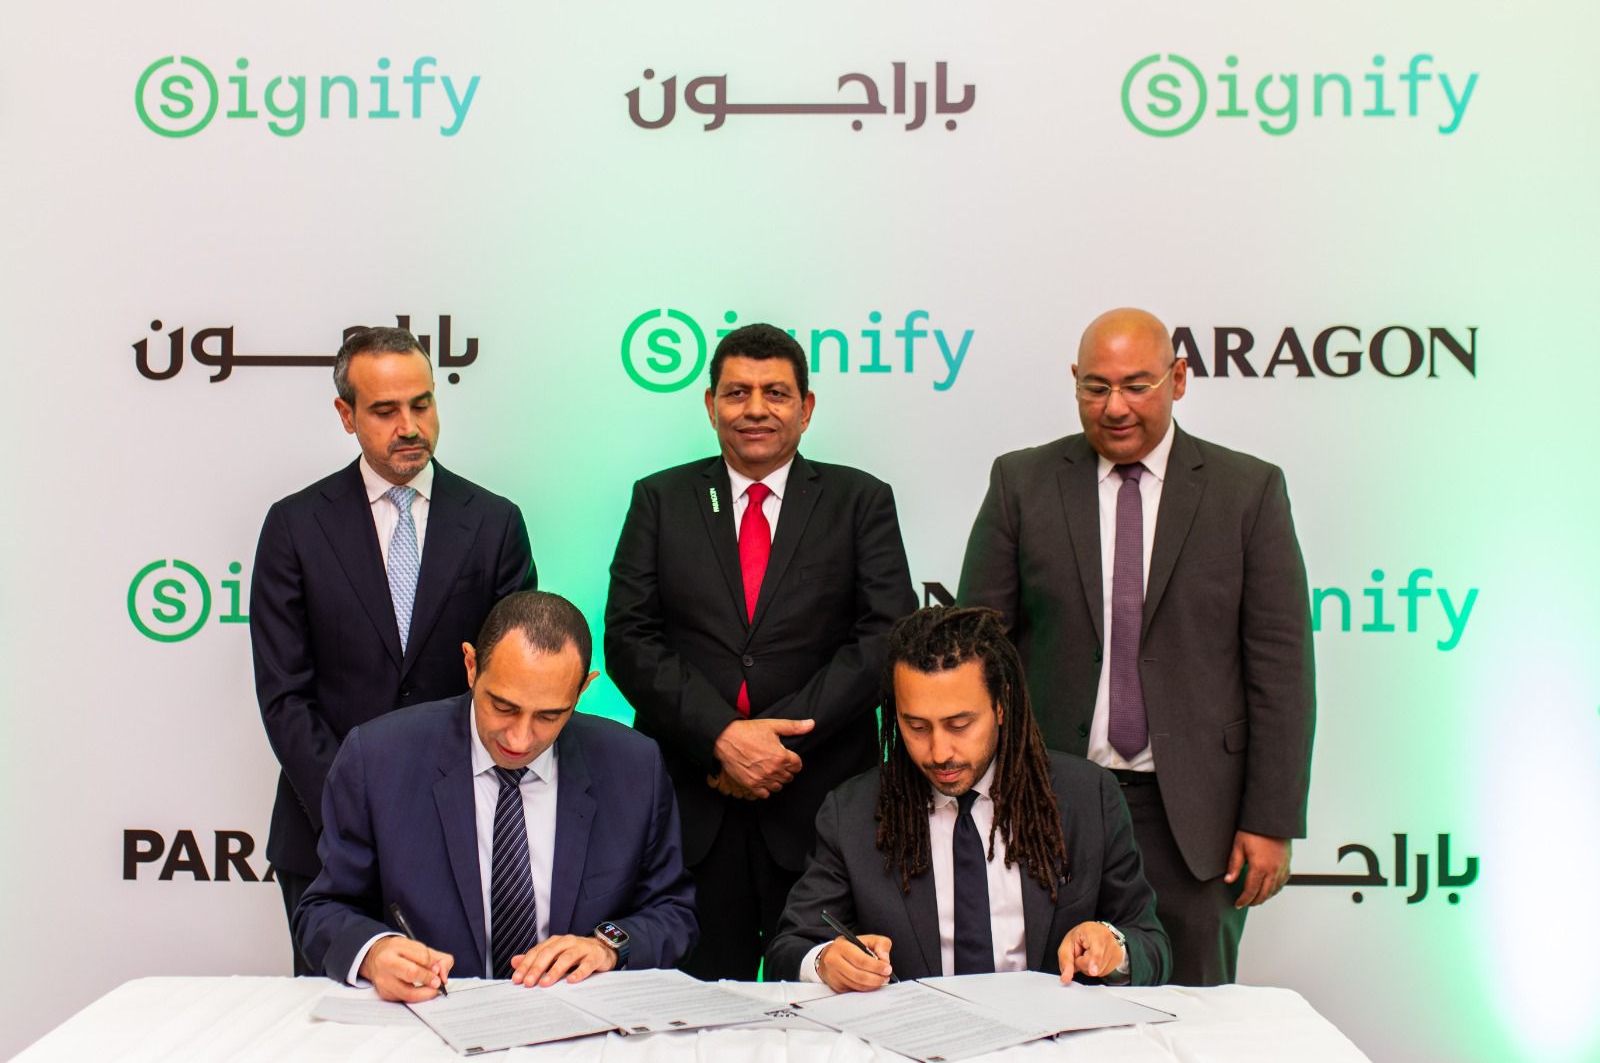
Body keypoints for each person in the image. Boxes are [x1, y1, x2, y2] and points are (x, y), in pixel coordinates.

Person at [958, 307, 1314, 986]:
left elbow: (1280, 668)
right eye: (1095, 387)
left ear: (1178, 379)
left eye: (1136, 385)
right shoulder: (1022, 484)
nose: (1114, 406)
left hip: (1196, 822)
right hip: (1048, 802)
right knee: (1046, 1004)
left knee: (1192, 1013)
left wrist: (1271, 820)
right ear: (1074, 381)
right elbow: (979, 651)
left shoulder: (1248, 491)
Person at [605, 323, 917, 980]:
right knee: (689, 1006)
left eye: (775, 392)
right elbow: (630, 637)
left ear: (806, 407)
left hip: (820, 809)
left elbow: (884, 638)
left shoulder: (861, 501)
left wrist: (777, 743)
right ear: (710, 403)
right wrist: (721, 737)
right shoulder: (659, 499)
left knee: (822, 999)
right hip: (695, 805)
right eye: (737, 392)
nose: (755, 409)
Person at [251, 326, 535, 973]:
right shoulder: (295, 525)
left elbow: (510, 684)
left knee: (464, 1012)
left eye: (421, 404)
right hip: (326, 838)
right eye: (385, 410)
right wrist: (355, 808)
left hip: (463, 831)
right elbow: (285, 695)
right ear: (346, 414)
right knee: (334, 1017)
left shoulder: (494, 523)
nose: (410, 426)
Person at [294, 591, 697, 1001]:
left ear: (582, 690)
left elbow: (673, 914)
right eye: (503, 707)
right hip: (432, 1017)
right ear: (471, 667)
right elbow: (322, 910)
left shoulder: (633, 767)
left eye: (549, 715)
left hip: (578, 1023)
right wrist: (374, 953)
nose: (520, 739)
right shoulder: (379, 758)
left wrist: (607, 947)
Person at [766, 606, 1169, 989]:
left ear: (1000, 706)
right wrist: (825, 961)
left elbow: (1151, 943)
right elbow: (789, 948)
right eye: (916, 727)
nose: (939, 752)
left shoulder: (1087, 797)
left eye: (959, 724)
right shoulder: (851, 812)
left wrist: (1114, 947)